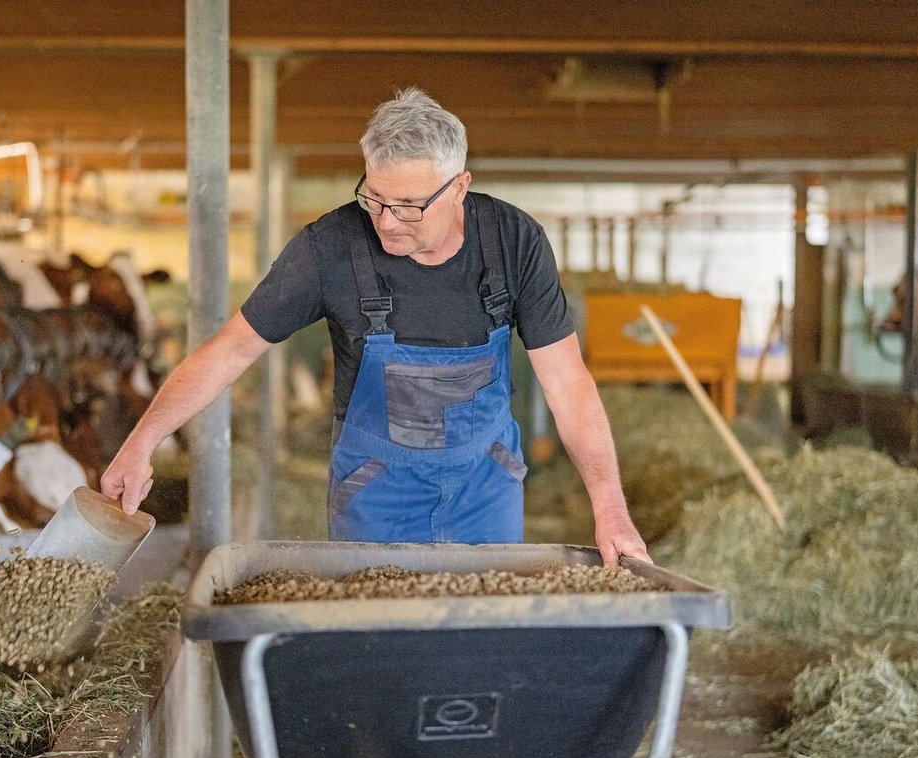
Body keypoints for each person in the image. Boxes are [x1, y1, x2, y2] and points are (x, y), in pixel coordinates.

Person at [101, 87, 648, 564]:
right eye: (375, 198)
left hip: (485, 487)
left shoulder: (513, 242)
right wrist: (141, 441)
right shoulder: (329, 248)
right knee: (377, 646)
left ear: (460, 186)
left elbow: (567, 383)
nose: (385, 222)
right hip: (376, 492)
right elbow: (229, 350)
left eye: (409, 205)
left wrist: (610, 507)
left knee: (480, 637)